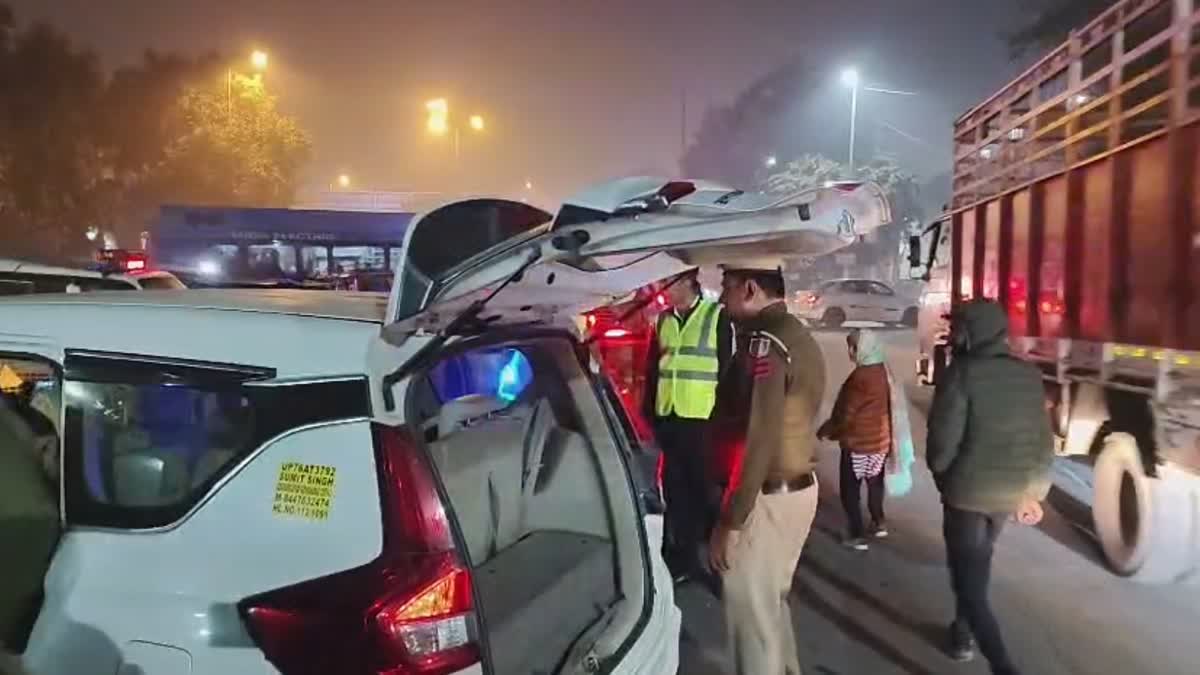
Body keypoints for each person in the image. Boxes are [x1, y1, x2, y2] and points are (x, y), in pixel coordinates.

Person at [708, 266, 826, 675]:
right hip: (795, 491)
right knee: (769, 606)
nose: (722, 298)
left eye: (726, 288)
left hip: (768, 497)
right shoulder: (796, 334)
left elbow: (758, 438)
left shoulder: (766, 343)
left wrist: (732, 519)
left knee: (750, 617)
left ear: (751, 288)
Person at [926, 300, 1054, 675]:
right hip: (1010, 495)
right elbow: (1044, 443)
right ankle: (962, 633)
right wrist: (1034, 492)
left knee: (969, 584)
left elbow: (942, 445)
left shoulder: (961, 374)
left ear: (971, 331)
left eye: (958, 328)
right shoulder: (1029, 376)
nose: (953, 335)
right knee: (979, 564)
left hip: (967, 495)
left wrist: (944, 477)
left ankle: (1002, 665)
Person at [642, 269, 733, 584]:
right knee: (676, 489)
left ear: (686, 283)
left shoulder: (714, 315)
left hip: (702, 419)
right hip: (670, 417)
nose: (662, 290)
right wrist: (650, 412)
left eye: (668, 284)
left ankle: (714, 554)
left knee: (704, 489)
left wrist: (723, 418)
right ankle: (683, 555)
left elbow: (727, 369)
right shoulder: (664, 319)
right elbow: (654, 368)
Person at [818, 328, 896, 550]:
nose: (850, 352)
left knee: (850, 490)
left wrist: (827, 430)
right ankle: (879, 521)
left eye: (853, 347)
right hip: (880, 443)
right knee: (874, 484)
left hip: (858, 445)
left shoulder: (860, 378)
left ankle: (857, 534)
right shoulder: (882, 371)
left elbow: (846, 414)